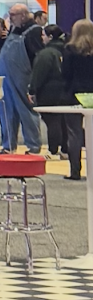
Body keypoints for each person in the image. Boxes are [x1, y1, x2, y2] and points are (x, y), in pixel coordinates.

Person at [32, 25, 79, 174]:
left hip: (48, 91)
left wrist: (32, 89)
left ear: (50, 36)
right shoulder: (69, 50)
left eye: (44, 35)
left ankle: (53, 149)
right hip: (66, 92)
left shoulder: (46, 54)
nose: (42, 38)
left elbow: (39, 74)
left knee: (52, 121)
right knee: (64, 123)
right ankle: (65, 149)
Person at [0, 3, 46, 154]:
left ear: (23, 16)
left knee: (27, 111)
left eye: (12, 15)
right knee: (6, 112)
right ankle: (8, 146)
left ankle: (33, 146)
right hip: (6, 79)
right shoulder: (14, 29)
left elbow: (38, 57)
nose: (9, 18)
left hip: (23, 78)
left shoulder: (34, 31)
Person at [56, 20, 93, 181]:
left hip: (73, 94)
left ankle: (75, 171)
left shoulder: (69, 50)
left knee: (74, 133)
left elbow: (65, 74)